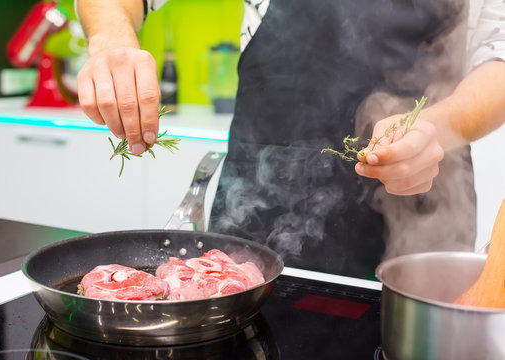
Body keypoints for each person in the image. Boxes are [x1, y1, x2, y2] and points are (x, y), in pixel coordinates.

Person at [76, 0, 505, 278]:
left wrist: (437, 126)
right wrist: (111, 39)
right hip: (258, 212)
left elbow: (498, 57)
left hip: (420, 212)